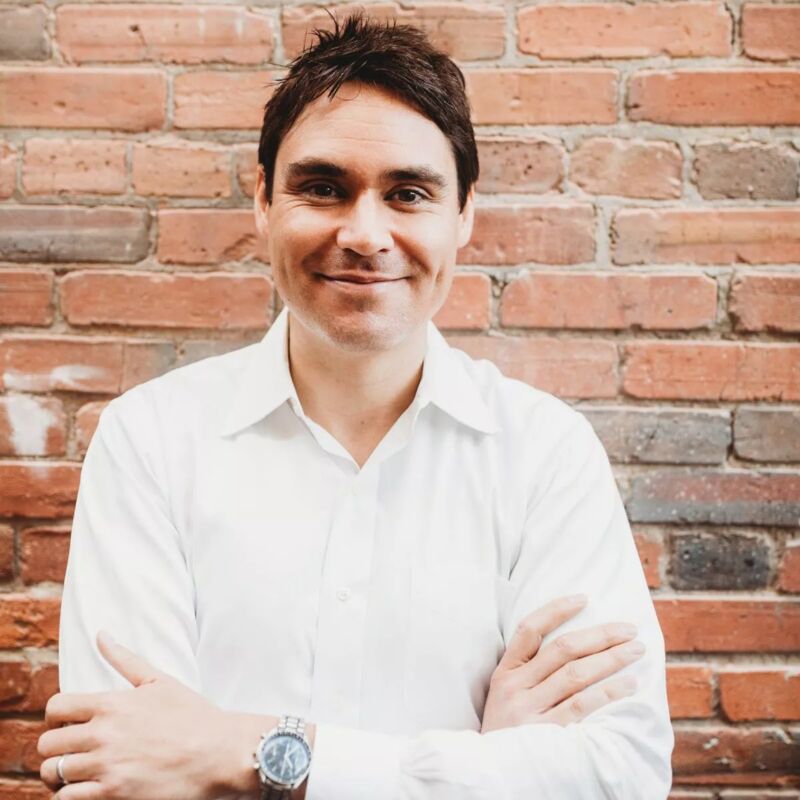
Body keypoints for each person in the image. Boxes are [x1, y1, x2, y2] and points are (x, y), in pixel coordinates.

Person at [37, 12, 673, 800]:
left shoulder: (544, 454)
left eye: (408, 193)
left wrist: (256, 753)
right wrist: (484, 764)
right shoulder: (152, 443)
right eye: (323, 187)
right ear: (263, 200)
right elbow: (122, 776)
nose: (365, 233)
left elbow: (620, 774)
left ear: (464, 214)